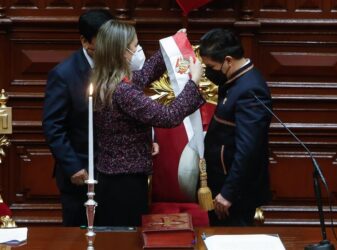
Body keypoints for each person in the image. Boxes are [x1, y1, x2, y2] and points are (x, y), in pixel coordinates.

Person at [91, 20, 205, 226]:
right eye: (136, 46)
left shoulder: (106, 80)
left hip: (111, 176)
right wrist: (193, 82)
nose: (137, 50)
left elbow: (145, 74)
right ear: (124, 52)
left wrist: (173, 44)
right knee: (125, 239)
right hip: (125, 182)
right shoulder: (123, 90)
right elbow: (168, 116)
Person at [42, 9, 114, 226]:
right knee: (78, 237)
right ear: (85, 41)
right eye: (104, 41)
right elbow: (53, 126)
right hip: (80, 174)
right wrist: (72, 166)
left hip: (113, 173)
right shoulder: (64, 74)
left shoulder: (117, 66)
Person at [199, 28, 272, 226]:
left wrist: (228, 193)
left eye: (211, 66)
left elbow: (248, 150)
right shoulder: (236, 80)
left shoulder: (250, 89)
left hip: (234, 195)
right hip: (222, 183)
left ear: (228, 60)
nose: (208, 72)